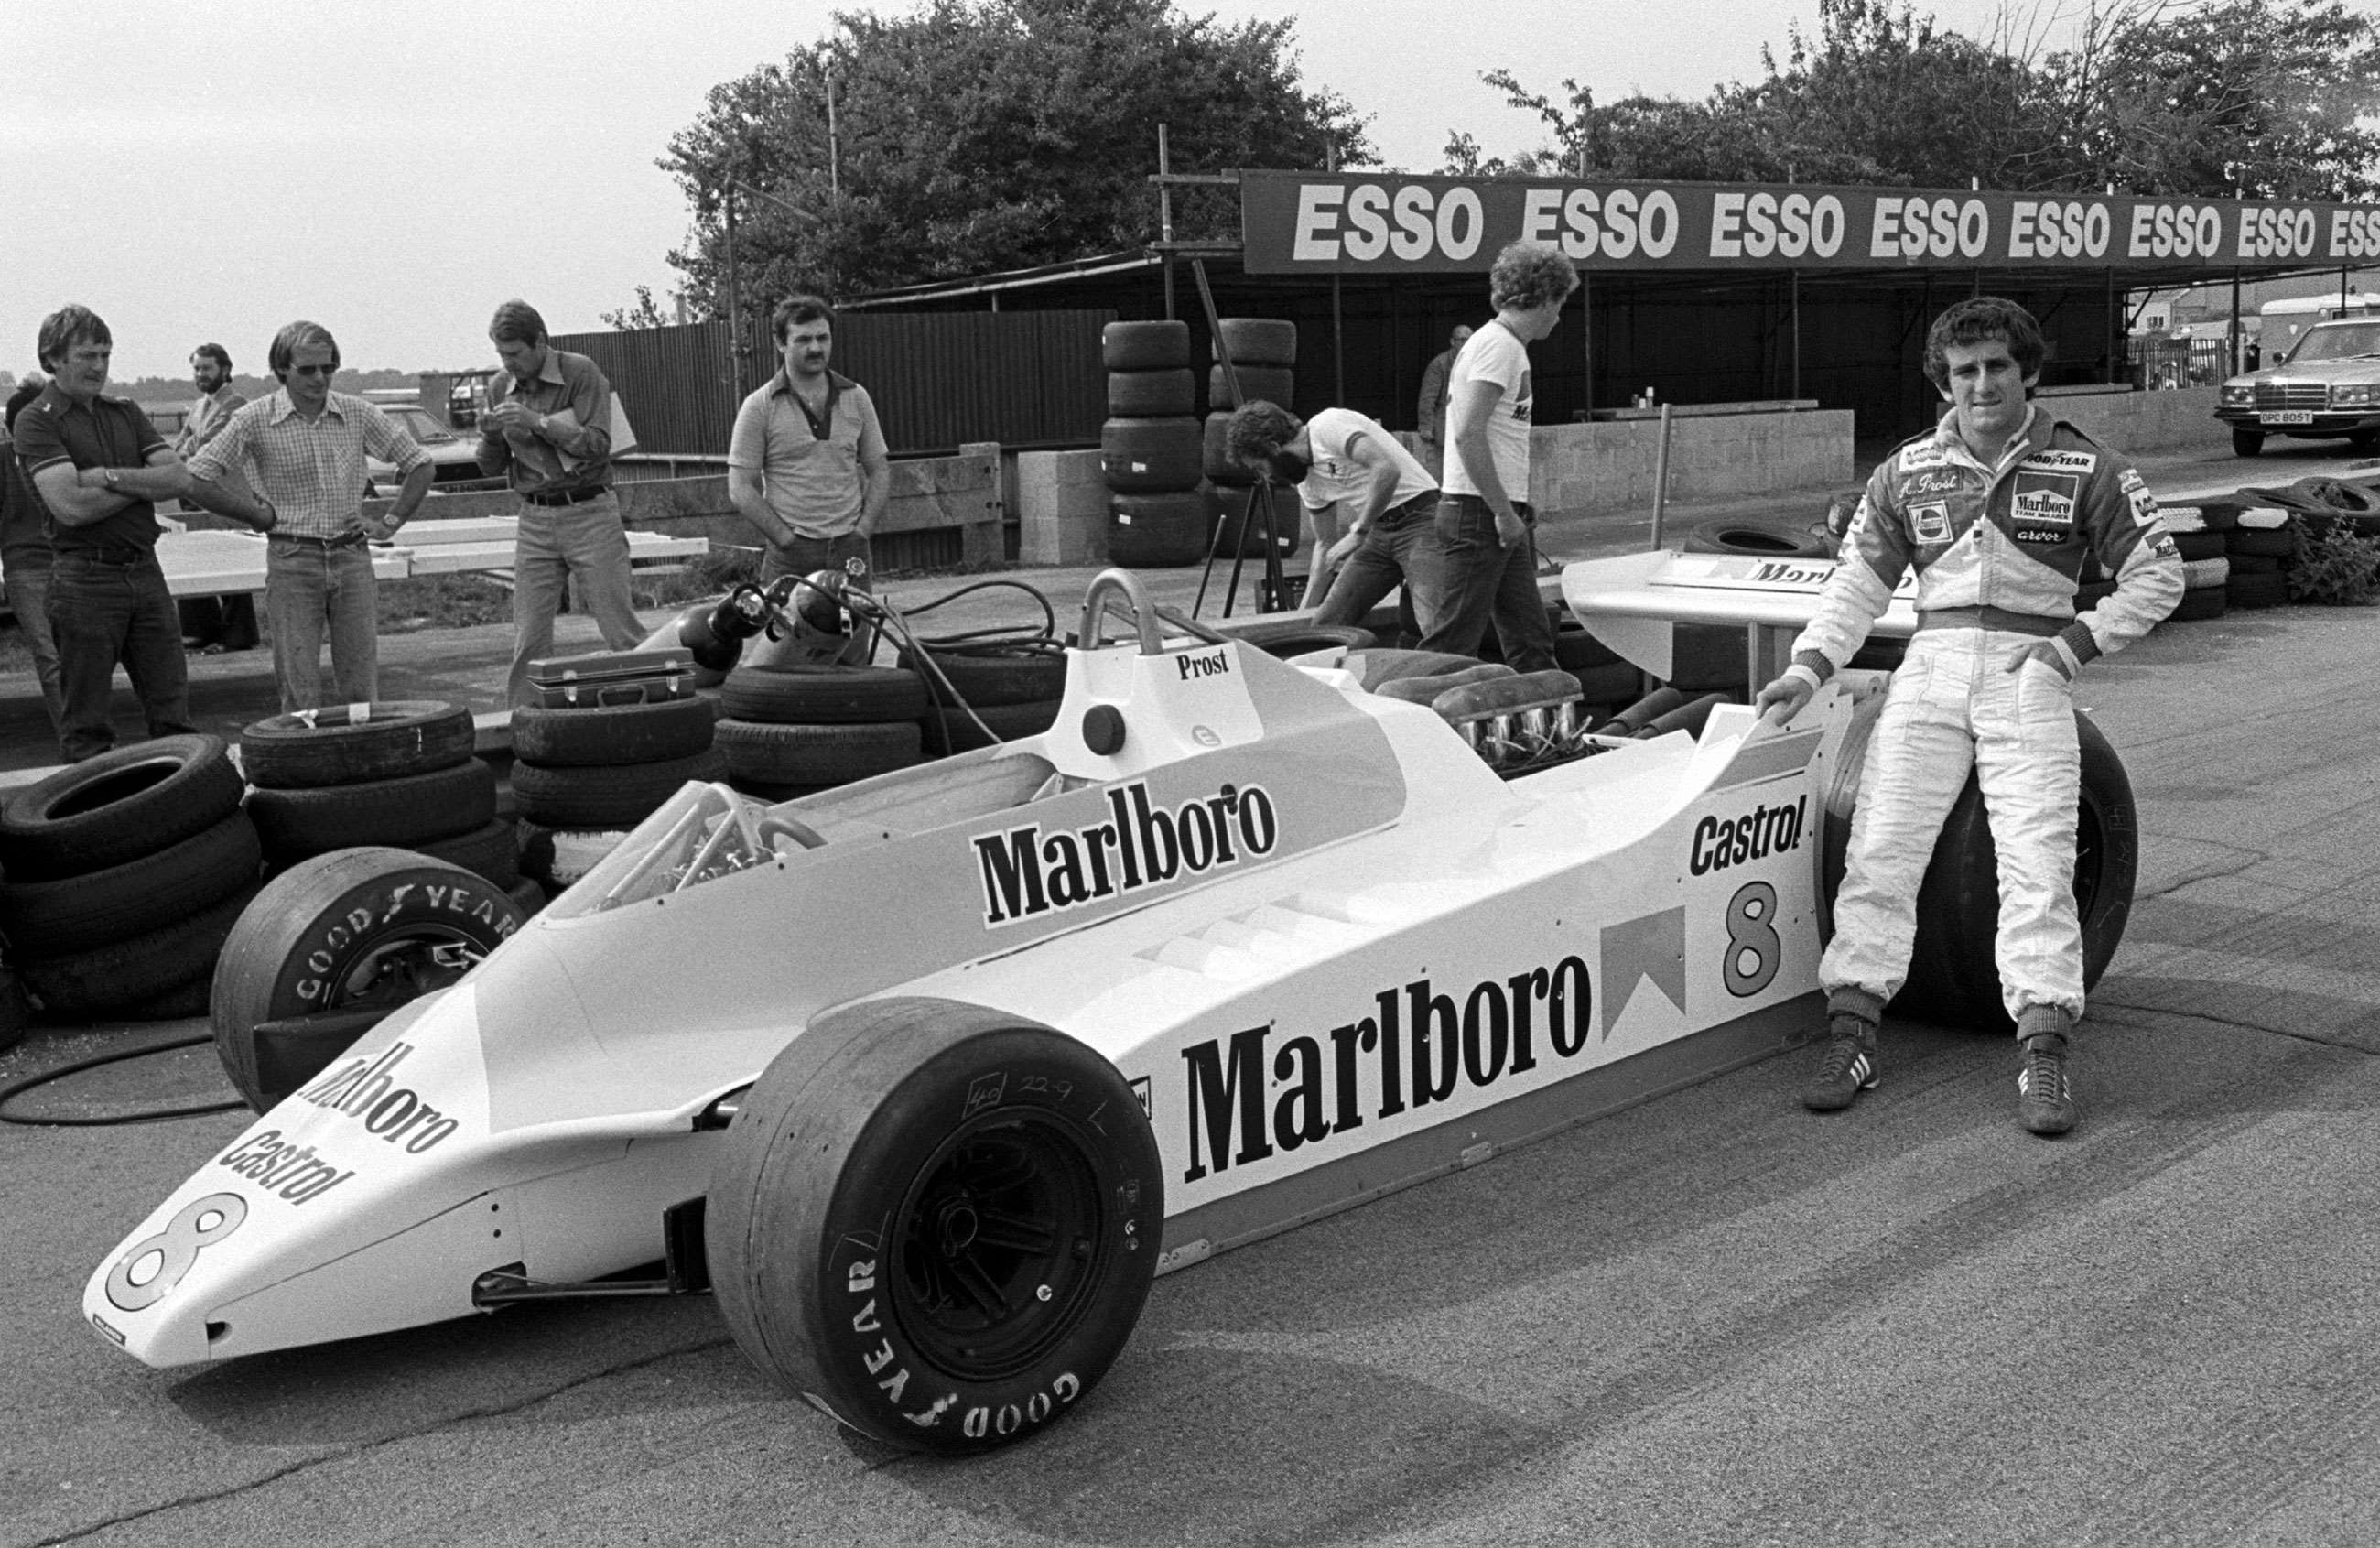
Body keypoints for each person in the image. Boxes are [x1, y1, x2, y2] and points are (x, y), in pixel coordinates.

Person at [1753, 297, 2183, 1138]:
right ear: (1943, 382)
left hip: (2031, 673)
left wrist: (2072, 649)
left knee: (2038, 861)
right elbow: (1856, 586)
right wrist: (1807, 668)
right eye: (1964, 371)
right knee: (1881, 850)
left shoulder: (2090, 466)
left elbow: (2157, 578)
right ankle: (1852, 1034)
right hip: (1933, 665)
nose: (1981, 384)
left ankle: (2046, 1048)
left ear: (2028, 371)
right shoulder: (1906, 469)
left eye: (1996, 367)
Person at [186, 321, 432, 709]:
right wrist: (252, 513)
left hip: (351, 558)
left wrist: (389, 522)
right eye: (307, 370)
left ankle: (363, 756)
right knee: (299, 687)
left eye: (328, 368)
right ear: (282, 369)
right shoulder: (255, 418)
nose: (320, 378)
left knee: (361, 684)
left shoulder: (357, 413)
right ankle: (305, 760)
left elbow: (419, 463)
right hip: (292, 559)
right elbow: (197, 476)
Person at [12, 306, 207, 761]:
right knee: (87, 727)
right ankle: (88, 825)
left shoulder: (125, 411)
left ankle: (181, 812)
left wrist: (106, 477)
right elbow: (71, 507)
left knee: (173, 712)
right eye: (86, 355)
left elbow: (179, 479)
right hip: (84, 578)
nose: (99, 366)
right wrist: (142, 481)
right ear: (54, 358)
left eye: (105, 354)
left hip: (144, 570)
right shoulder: (37, 420)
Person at [476, 298, 645, 707]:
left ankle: (652, 706)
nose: (508, 363)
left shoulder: (580, 372)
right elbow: (488, 467)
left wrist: (539, 424)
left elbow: (600, 445)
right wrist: (491, 435)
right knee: (529, 633)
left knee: (618, 625)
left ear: (540, 343)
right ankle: (524, 722)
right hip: (535, 517)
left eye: (515, 353)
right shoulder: (500, 386)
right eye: (501, 354)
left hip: (590, 511)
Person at [1416, 243, 1573, 675]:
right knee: (1451, 643)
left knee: (1530, 635)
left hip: (1492, 511)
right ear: (1541, 298)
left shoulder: (1503, 346)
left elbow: (1488, 434)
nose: (1560, 316)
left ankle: (1544, 729)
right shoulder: (1498, 347)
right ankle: (1413, 720)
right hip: (1479, 513)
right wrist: (1503, 511)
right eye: (1559, 303)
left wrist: (1515, 504)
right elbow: (1467, 433)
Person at [1222, 398, 1441, 637]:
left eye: (1261, 468)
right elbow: (1325, 545)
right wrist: (1300, 621)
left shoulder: (1328, 426)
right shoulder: (1307, 482)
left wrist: (1358, 532)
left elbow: (1386, 469)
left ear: (1273, 447)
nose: (1265, 478)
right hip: (1379, 532)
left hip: (1421, 517)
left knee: (1433, 624)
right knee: (1326, 627)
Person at [728, 295, 889, 598]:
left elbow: (879, 469)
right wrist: (785, 539)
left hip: (850, 549)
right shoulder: (759, 406)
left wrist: (863, 530)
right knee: (785, 643)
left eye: (822, 338)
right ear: (781, 343)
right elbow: (740, 487)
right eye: (803, 339)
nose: (815, 348)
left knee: (852, 640)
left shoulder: (857, 397)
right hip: (790, 555)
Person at [170, 341, 259, 654]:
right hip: (197, 496)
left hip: (229, 496)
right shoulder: (198, 406)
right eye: (196, 368)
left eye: (207, 368)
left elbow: (208, 444)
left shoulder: (236, 405)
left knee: (231, 568)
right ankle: (200, 631)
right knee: (198, 563)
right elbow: (181, 446)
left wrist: (189, 447)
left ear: (225, 369)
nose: (201, 374)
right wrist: (187, 447)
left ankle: (238, 637)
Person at [1, 376, 62, 734]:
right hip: (29, 567)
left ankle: (83, 735)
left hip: (64, 564)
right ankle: (77, 742)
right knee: (52, 655)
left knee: (60, 656)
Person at [1413, 323, 1473, 479]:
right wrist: (1426, 426)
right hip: (1445, 426)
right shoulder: (1439, 364)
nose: (1465, 343)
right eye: (1461, 340)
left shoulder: (1478, 362)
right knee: (1446, 473)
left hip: (1470, 425)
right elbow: (1428, 397)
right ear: (1452, 342)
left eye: (1469, 339)